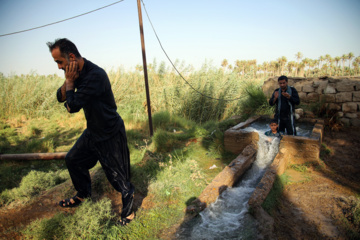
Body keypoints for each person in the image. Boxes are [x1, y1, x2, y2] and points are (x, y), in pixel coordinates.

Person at [47, 38, 134, 226]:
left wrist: (70, 81)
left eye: (60, 62)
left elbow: (72, 106)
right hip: (93, 131)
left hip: (110, 132)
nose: (59, 67)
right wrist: (69, 82)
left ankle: (128, 214)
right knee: (73, 159)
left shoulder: (96, 75)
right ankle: (83, 194)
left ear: (71, 57)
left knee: (120, 181)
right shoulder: (77, 73)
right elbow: (59, 97)